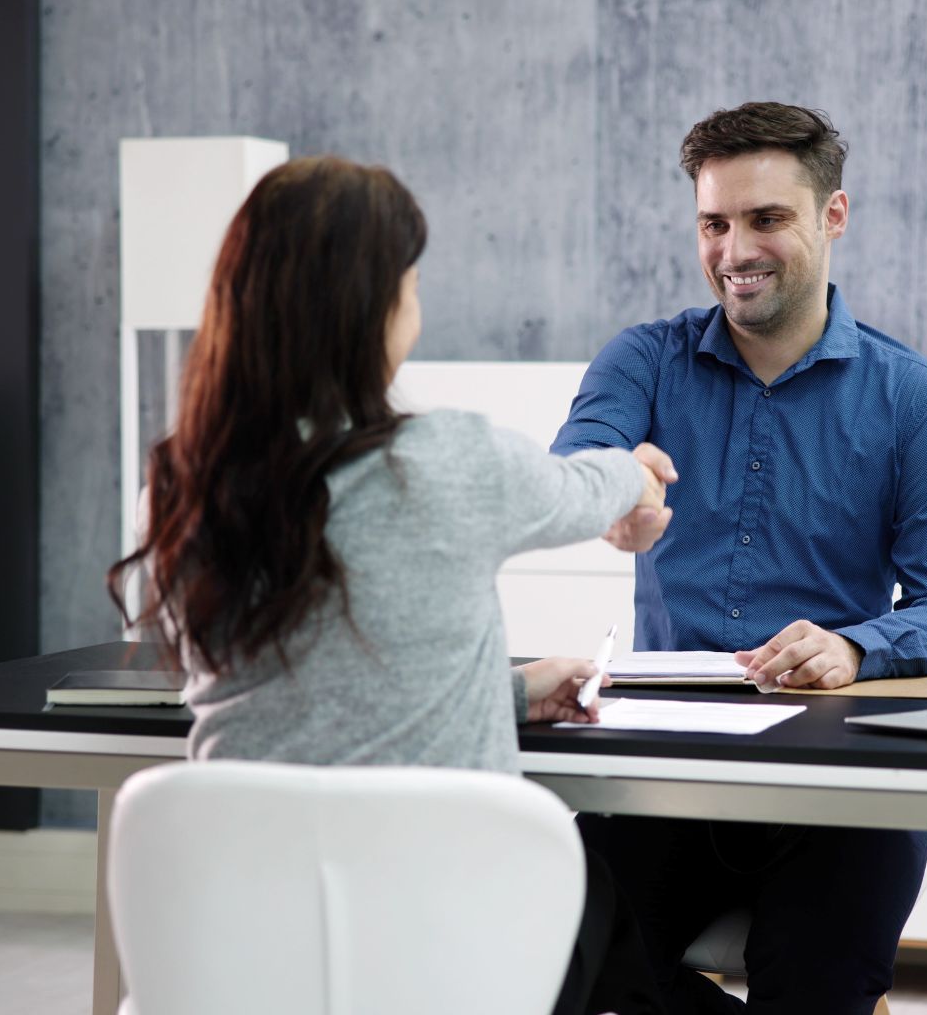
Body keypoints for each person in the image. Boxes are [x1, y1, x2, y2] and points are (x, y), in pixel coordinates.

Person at [107, 155, 672, 1014]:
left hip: (250, 947)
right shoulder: (444, 461)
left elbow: (311, 693)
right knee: (597, 905)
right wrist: (638, 476)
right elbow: (591, 488)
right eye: (410, 282)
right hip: (446, 951)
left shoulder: (180, 488)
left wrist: (510, 695)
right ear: (372, 308)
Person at [552, 102, 927, 1014]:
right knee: (547, 955)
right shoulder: (644, 359)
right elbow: (583, 453)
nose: (733, 250)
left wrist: (860, 647)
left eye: (766, 219)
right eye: (714, 223)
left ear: (833, 216)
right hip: (666, 780)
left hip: (841, 792)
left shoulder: (916, 400)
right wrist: (612, 483)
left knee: (814, 990)